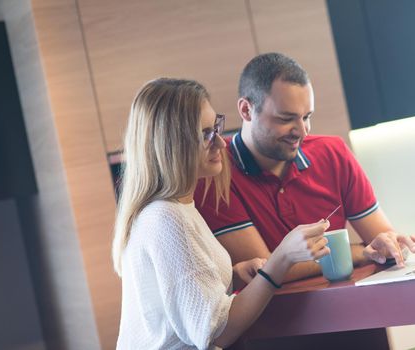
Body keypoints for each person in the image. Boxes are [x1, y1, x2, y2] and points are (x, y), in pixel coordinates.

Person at [112, 78, 330, 349]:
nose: (220, 144)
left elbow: (186, 302)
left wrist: (234, 275)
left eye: (216, 127)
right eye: (205, 134)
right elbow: (215, 334)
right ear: (170, 143)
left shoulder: (176, 209)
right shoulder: (168, 219)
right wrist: (282, 258)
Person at [195, 53, 415, 282]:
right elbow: (266, 271)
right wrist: (360, 251)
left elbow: (382, 241)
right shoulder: (213, 172)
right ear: (246, 110)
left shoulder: (333, 153)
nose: (302, 131)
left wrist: (390, 245)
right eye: (286, 119)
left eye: (306, 117)